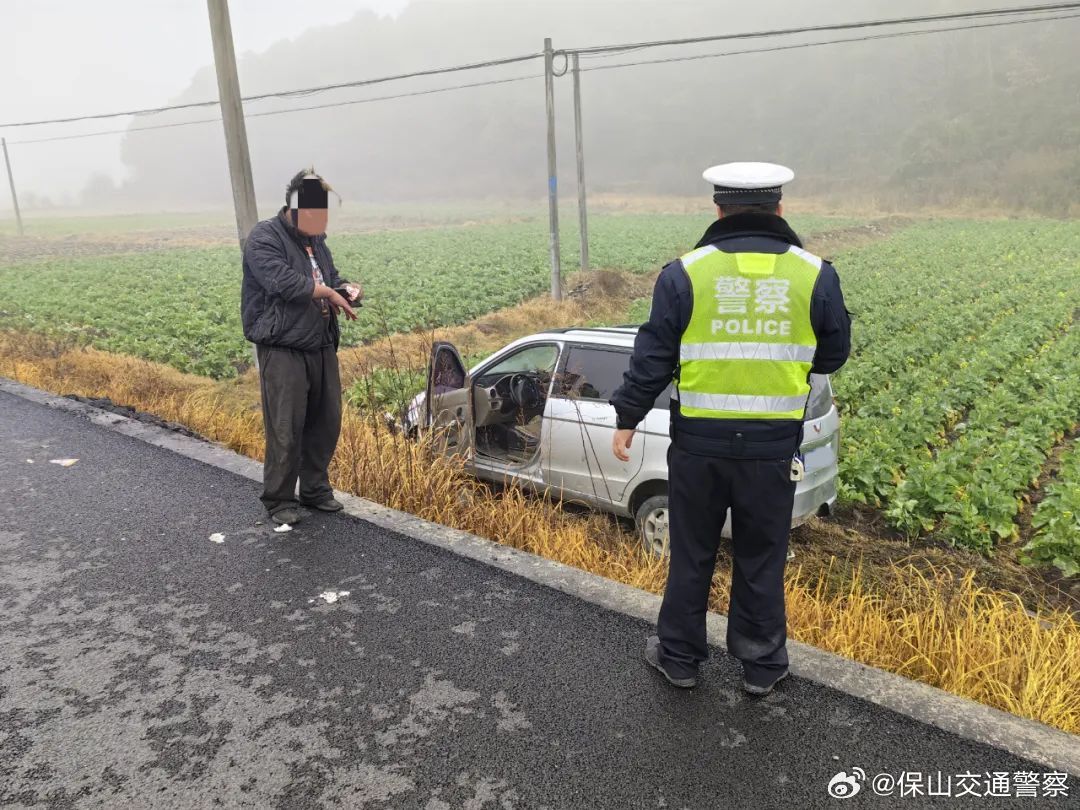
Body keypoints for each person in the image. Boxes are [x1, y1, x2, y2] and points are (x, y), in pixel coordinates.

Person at [610, 162, 851, 695]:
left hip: (699, 447)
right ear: (780, 210)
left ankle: (679, 659)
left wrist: (627, 418)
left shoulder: (684, 274)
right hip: (771, 450)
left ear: (717, 210)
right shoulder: (815, 274)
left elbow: (652, 357)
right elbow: (833, 355)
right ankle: (762, 668)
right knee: (761, 558)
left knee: (691, 553)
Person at [240, 169, 363, 525]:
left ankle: (314, 489)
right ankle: (279, 499)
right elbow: (282, 281)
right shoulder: (265, 238)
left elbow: (329, 277)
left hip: (321, 342)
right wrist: (325, 292)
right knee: (286, 424)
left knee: (326, 421)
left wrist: (346, 289)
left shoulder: (317, 241)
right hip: (283, 345)